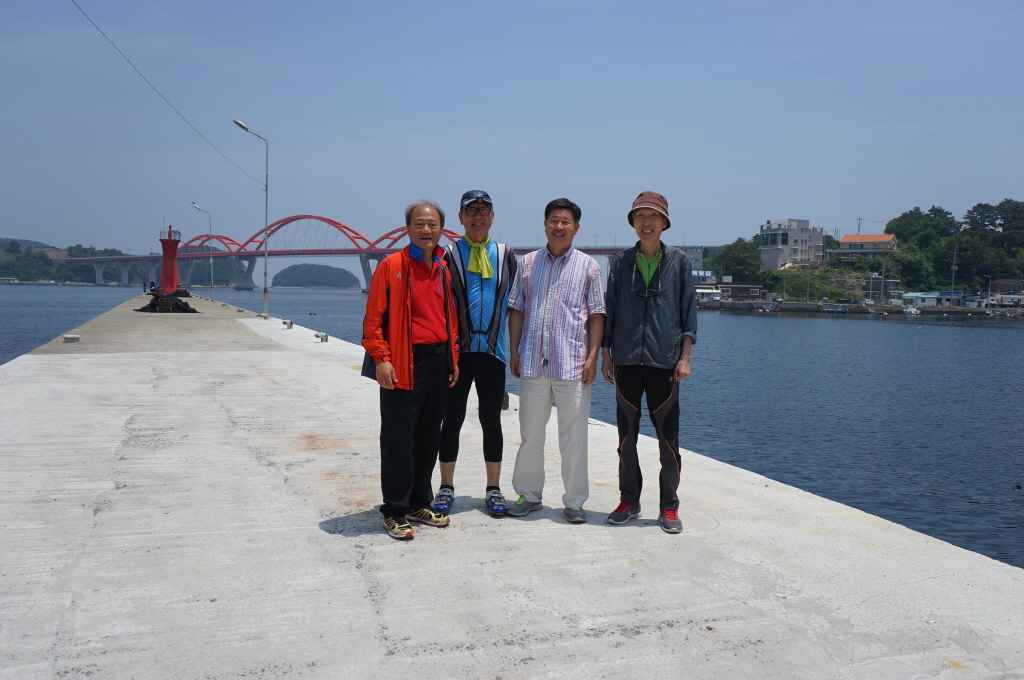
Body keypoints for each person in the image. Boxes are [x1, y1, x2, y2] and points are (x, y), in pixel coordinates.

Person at [362, 200, 460, 540]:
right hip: (404, 360)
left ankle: (419, 502)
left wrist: (453, 359)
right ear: (408, 229)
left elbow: (449, 318)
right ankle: (394, 509)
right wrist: (381, 359)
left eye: (432, 224)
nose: (426, 230)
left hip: (438, 360)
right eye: (419, 224)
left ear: (441, 230)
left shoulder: (443, 268)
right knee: (398, 438)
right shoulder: (391, 266)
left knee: (428, 435)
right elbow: (373, 320)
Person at [601, 191, 697, 534]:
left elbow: (688, 311)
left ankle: (669, 507)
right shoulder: (620, 262)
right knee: (626, 438)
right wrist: (606, 353)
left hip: (664, 362)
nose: (646, 222)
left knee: (668, 440)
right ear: (633, 222)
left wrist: (685, 357)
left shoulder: (680, 262)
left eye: (653, 216)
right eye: (640, 216)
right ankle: (629, 500)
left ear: (664, 223)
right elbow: (610, 309)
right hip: (627, 360)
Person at [506, 198, 605, 523]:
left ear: (576, 228)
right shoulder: (527, 263)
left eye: (565, 222)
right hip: (533, 362)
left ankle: (574, 502)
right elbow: (517, 308)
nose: (559, 226)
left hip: (573, 364)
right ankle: (528, 494)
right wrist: (515, 350)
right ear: (545, 224)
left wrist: (592, 356)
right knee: (530, 434)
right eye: (554, 220)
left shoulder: (589, 267)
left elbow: (597, 314)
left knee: (574, 437)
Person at [433, 191, 517, 517]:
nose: (478, 216)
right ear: (461, 217)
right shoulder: (448, 254)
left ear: (492, 217)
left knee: (491, 421)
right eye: (471, 211)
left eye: (484, 211)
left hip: (494, 353)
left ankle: (493, 489)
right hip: (458, 355)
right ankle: (446, 486)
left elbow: (517, 303)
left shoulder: (506, 255)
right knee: (451, 420)